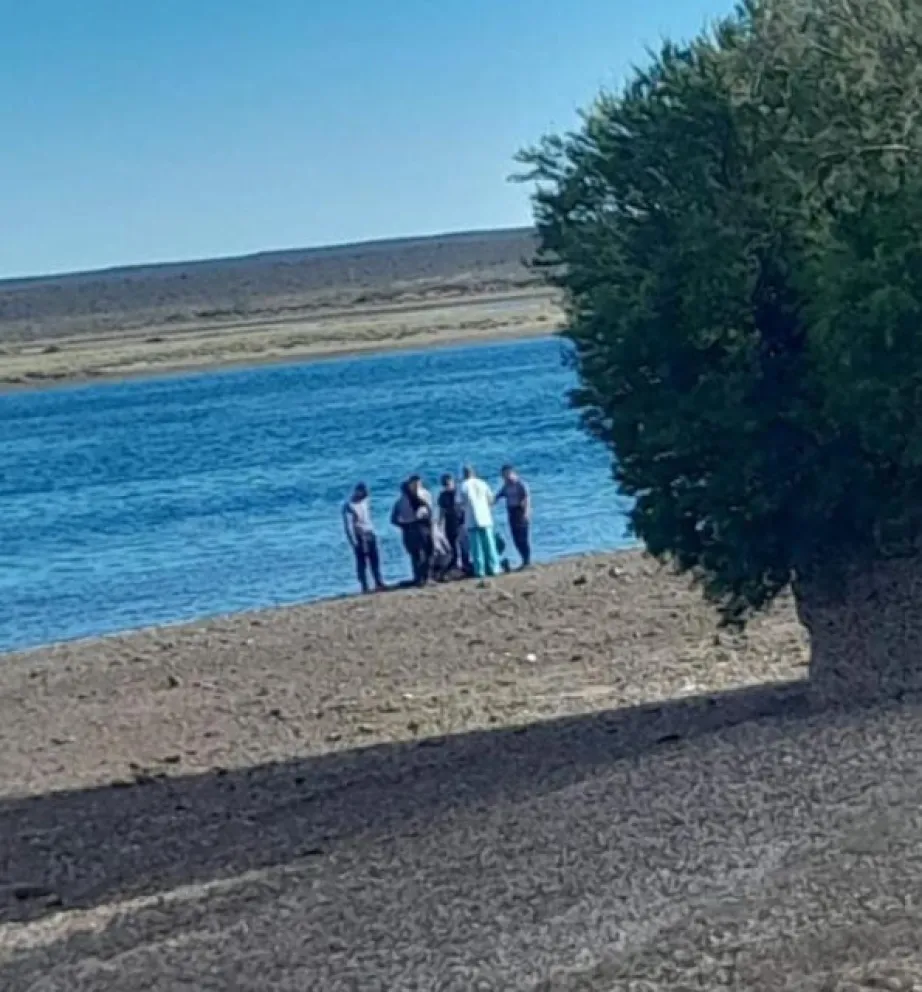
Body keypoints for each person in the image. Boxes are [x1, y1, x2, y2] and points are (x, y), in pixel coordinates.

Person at [342, 483, 386, 593]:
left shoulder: (365, 501)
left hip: (370, 532)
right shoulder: (349, 506)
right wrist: (353, 541)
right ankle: (364, 586)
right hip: (360, 536)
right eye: (362, 493)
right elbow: (348, 526)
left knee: (375, 559)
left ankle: (378, 582)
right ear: (357, 491)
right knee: (362, 562)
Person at [459, 464, 501, 578]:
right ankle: (494, 567)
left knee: (476, 547)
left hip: (471, 519)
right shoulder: (483, 483)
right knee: (489, 544)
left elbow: (460, 503)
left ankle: (480, 570)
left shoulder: (463, 486)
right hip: (485, 517)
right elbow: (491, 500)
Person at [495, 464, 531, 568]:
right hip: (511, 512)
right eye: (503, 476)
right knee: (515, 538)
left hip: (520, 511)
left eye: (506, 475)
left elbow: (527, 498)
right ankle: (523, 560)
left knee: (523, 537)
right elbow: (498, 496)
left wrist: (527, 512)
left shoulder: (521, 484)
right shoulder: (506, 486)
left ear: (512, 473)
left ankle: (527, 559)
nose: (505, 478)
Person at [437, 473, 465, 572]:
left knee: (462, 543)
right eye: (445, 484)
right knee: (452, 543)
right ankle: (455, 563)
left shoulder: (458, 492)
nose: (447, 486)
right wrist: (440, 524)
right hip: (449, 522)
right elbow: (442, 510)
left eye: (449, 483)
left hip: (461, 521)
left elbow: (463, 506)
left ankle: (465, 562)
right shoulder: (443, 496)